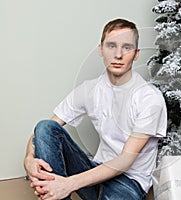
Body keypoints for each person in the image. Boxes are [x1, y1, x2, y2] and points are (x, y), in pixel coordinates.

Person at [24, 18, 167, 200]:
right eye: (111, 46)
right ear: (101, 50)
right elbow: (42, 133)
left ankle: (59, 191)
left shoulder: (149, 97)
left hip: (129, 182)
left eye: (127, 47)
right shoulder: (89, 89)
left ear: (136, 54)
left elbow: (125, 161)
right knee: (45, 127)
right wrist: (28, 159)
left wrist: (67, 184)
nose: (118, 54)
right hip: (95, 171)